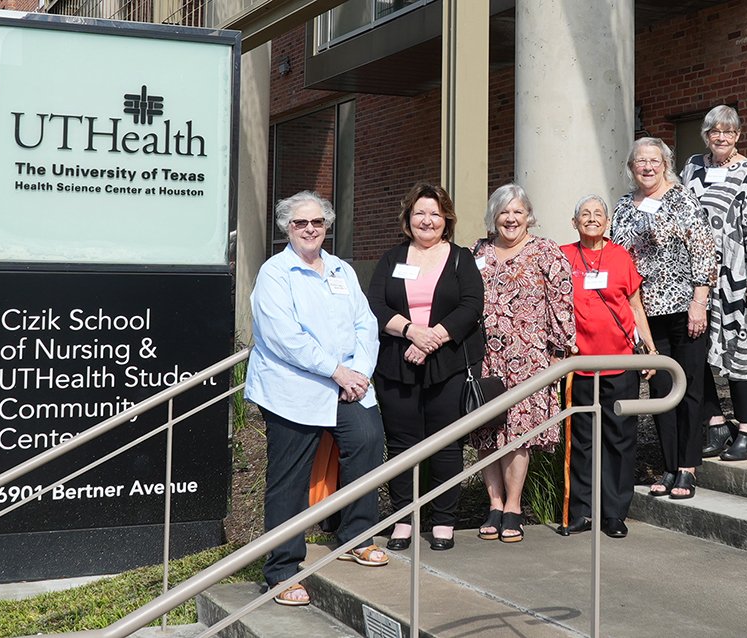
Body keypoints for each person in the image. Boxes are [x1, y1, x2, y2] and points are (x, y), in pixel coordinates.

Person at [245, 191, 387, 607]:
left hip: (349, 386)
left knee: (366, 445)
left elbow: (366, 323)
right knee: (289, 481)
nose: (310, 229)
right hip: (295, 389)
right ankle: (283, 570)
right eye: (300, 223)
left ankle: (357, 535)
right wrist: (336, 370)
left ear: (327, 226)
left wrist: (358, 373)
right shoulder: (276, 273)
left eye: (317, 223)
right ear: (286, 228)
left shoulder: (341, 269)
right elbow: (283, 337)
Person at [367, 183, 484, 552]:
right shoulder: (392, 259)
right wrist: (411, 332)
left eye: (434, 213)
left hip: (448, 362)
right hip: (396, 363)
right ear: (408, 218)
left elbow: (471, 305)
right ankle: (403, 519)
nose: (427, 220)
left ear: (445, 218)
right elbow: (375, 305)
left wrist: (433, 337)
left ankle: (444, 521)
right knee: (402, 445)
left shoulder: (461, 259)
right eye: (420, 213)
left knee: (446, 445)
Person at [611, 137, 715, 499]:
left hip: (685, 310)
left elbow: (703, 250)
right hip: (644, 313)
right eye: (640, 161)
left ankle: (687, 467)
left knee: (688, 389)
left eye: (654, 160)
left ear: (665, 163)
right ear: (631, 166)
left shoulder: (682, 198)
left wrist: (699, 301)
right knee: (659, 390)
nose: (647, 167)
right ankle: (669, 466)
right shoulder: (623, 206)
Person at [470, 183, 575, 543]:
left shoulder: (546, 251)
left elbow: (561, 302)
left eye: (517, 211)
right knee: (487, 432)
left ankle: (513, 507)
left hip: (529, 358)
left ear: (528, 215)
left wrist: (560, 353)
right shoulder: (477, 251)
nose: (510, 219)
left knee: (517, 434)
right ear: (493, 217)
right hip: (485, 358)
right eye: (503, 212)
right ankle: (494, 504)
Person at [681, 105, 747, 462]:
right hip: (696, 277)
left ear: (738, 136)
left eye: (729, 132)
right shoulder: (692, 166)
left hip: (737, 277)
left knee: (742, 349)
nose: (721, 137)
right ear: (705, 135)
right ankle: (717, 422)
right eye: (714, 131)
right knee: (696, 349)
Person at [557, 194, 655, 538]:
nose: (592, 218)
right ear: (574, 222)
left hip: (620, 362)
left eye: (599, 213)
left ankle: (614, 512)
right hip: (579, 366)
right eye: (585, 213)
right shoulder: (563, 256)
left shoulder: (620, 256)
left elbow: (634, 305)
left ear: (608, 221)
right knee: (580, 441)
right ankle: (580, 512)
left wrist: (650, 350)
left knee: (619, 439)